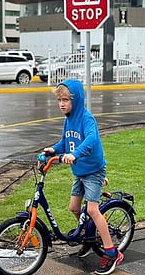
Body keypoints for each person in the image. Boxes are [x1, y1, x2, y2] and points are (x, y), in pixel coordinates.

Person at [43, 79, 124, 275]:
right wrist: (54, 149)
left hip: (93, 171)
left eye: (66, 100)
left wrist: (75, 154)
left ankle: (112, 251)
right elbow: (65, 141)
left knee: (93, 209)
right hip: (79, 172)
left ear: (76, 100)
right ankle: (90, 236)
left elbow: (91, 140)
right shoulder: (68, 119)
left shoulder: (87, 119)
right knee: (74, 208)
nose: (62, 104)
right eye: (59, 100)